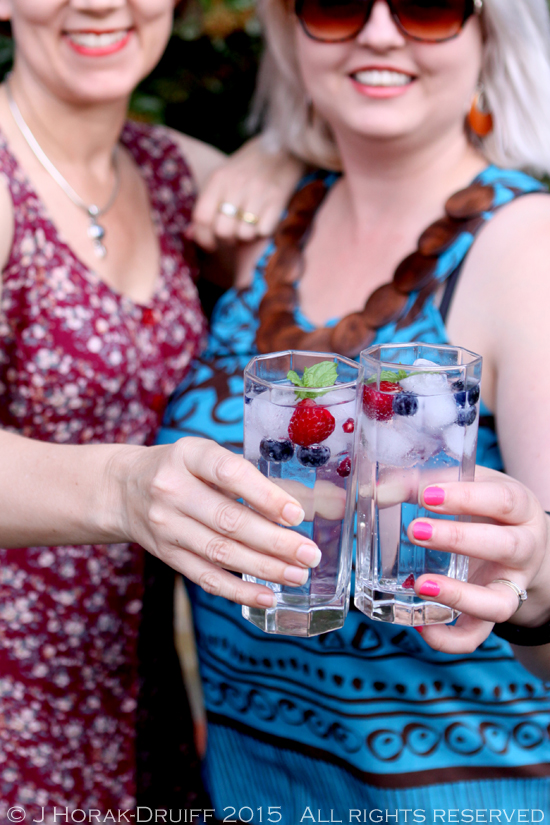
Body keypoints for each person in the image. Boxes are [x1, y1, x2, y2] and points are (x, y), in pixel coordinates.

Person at [159, 0, 550, 816]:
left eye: (429, 5)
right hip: (250, 793)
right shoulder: (260, 233)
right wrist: (269, 149)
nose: (378, 33)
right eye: (334, 4)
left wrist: (537, 583)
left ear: (489, 31)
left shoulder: (528, 249)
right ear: (288, 29)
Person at [0, 0, 321, 816]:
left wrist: (274, 152)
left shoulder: (173, 171)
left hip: (139, 692)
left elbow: (364, 154)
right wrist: (124, 487)